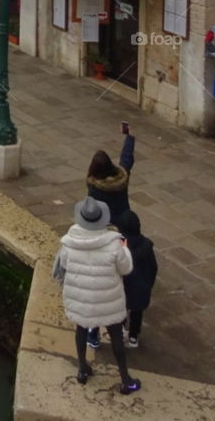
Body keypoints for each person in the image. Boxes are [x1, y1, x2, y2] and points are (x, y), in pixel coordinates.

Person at [53, 196, 140, 394]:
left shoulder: (68, 242)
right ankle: (126, 380)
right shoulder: (115, 243)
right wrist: (125, 250)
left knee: (81, 330)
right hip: (108, 299)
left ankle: (82, 369)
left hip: (81, 297)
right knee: (116, 335)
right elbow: (126, 269)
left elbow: (64, 265)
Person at [116, 210, 158, 348]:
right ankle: (133, 337)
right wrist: (148, 284)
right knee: (137, 313)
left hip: (123, 288)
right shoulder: (146, 245)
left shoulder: (121, 245)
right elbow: (153, 267)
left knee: (121, 311)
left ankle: (121, 331)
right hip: (141, 288)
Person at [86, 128, 136, 226]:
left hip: (106, 224)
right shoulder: (122, 177)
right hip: (124, 220)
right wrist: (130, 137)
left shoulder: (94, 188)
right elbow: (126, 157)